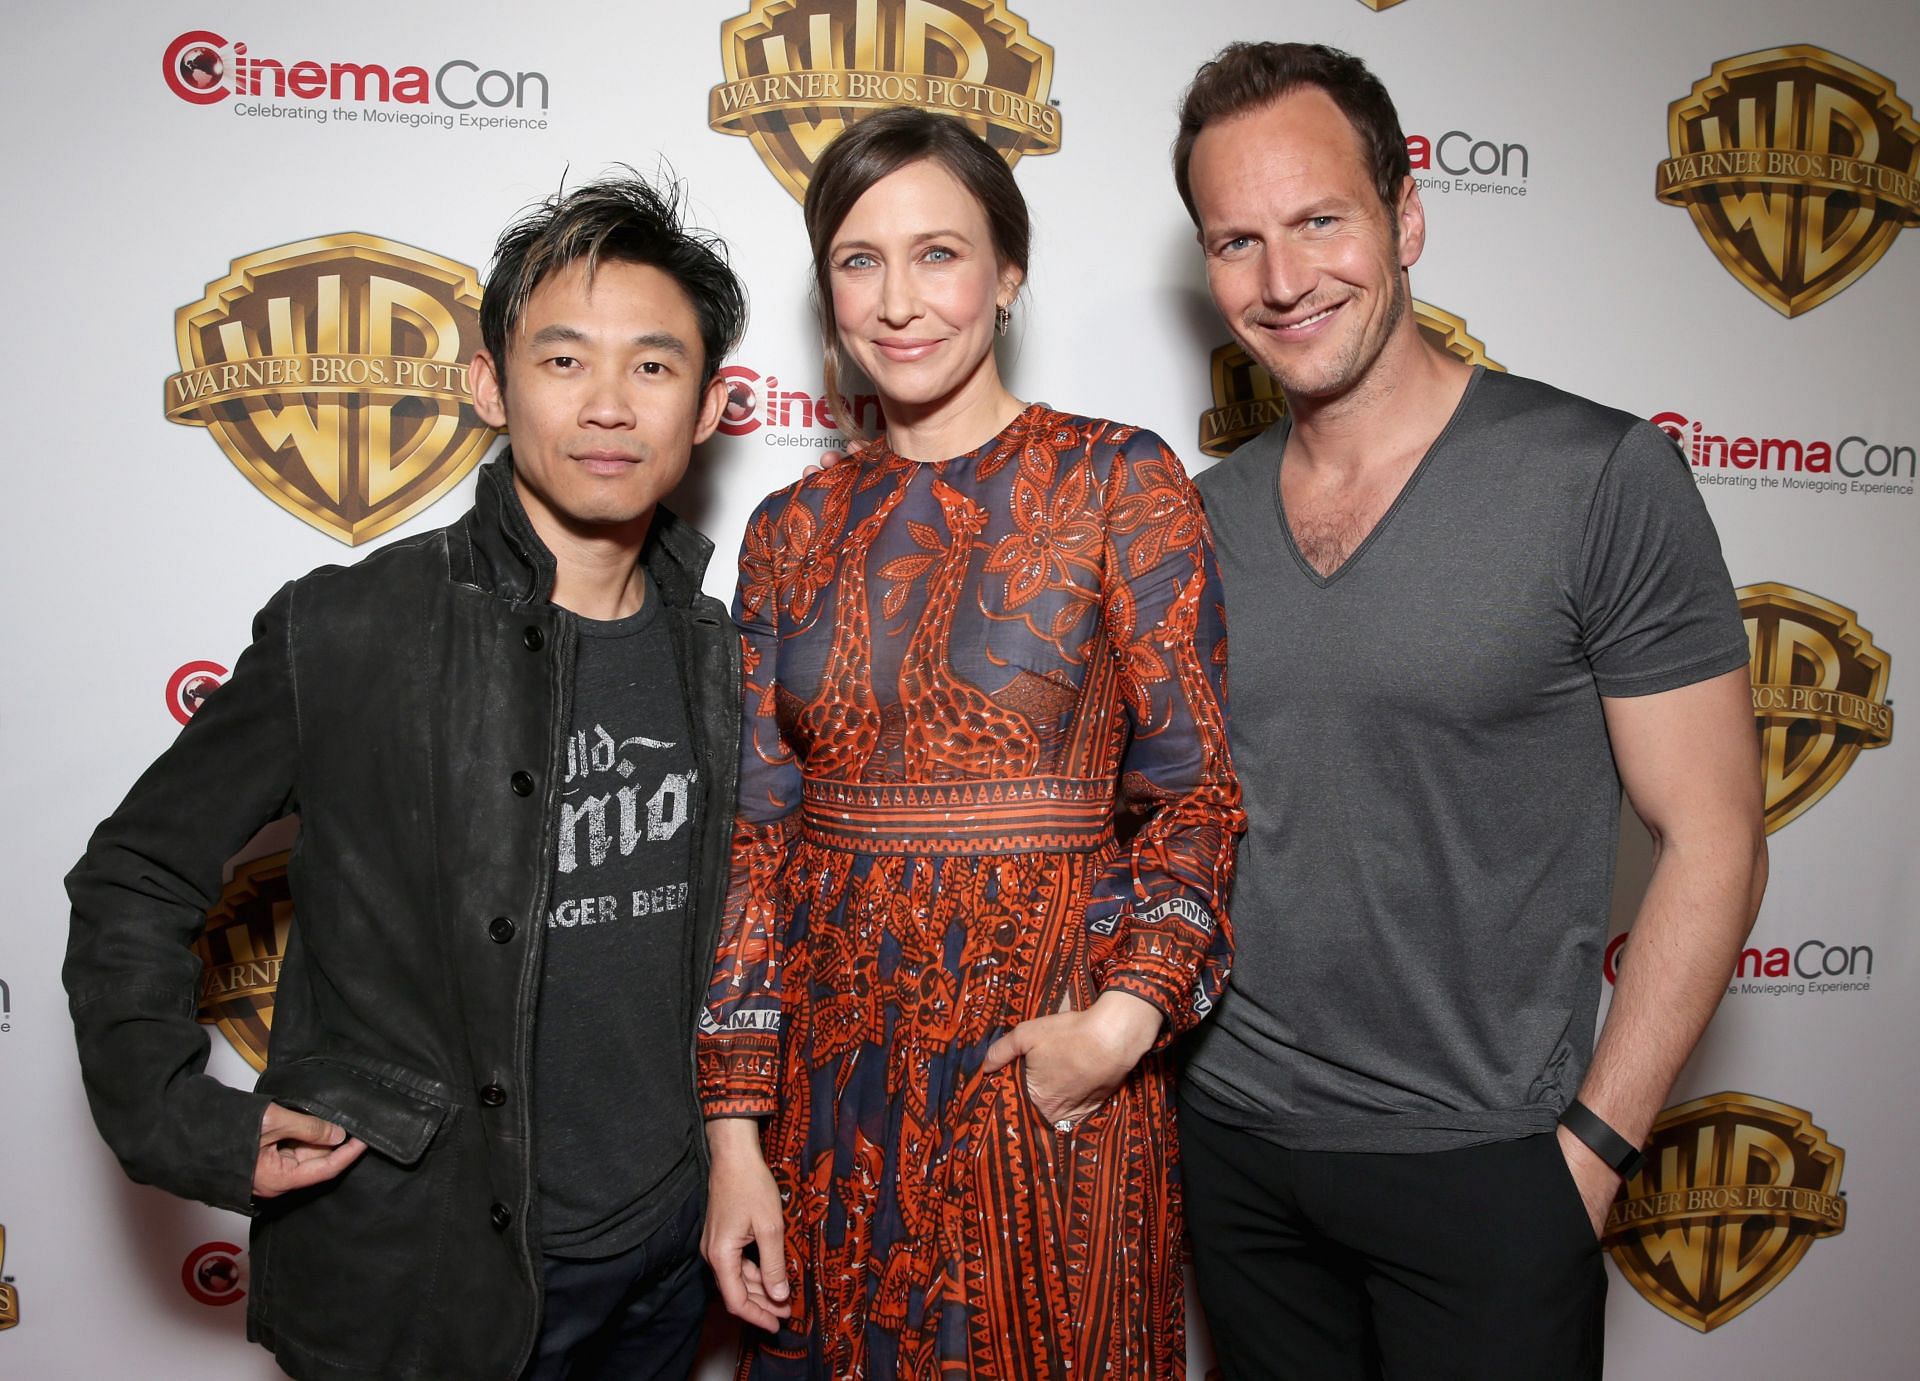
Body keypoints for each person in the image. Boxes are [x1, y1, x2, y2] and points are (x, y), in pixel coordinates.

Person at [64, 173, 749, 1381]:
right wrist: (181, 1118)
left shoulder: (722, 653)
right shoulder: (350, 630)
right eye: (562, 359)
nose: (607, 404)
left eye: (652, 365)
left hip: (662, 1258)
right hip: (430, 1278)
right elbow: (134, 870)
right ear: (489, 385)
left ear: (706, 407)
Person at [1169, 43, 1768, 1379]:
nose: (1282, 279)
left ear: (1407, 216)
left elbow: (1716, 835)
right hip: (1238, 1155)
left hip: (1489, 1174)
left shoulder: (1600, 477)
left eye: (1322, 219)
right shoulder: (1196, 521)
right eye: (1237, 239)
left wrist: (1594, 1154)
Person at [696, 106, 1243, 1379]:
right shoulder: (788, 527)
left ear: (1009, 274)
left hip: (1047, 1059)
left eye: (938, 253)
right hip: (833, 1088)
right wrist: (736, 1138)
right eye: (859, 259)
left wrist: (1122, 1022)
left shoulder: (1121, 481)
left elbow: (1198, 794)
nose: (898, 301)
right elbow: (753, 843)